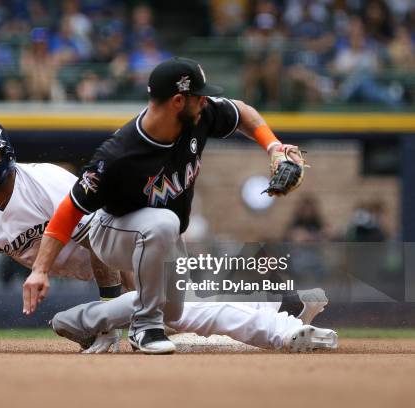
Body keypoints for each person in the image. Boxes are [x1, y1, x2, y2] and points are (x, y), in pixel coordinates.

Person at [0, 118, 335, 354]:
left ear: (7, 154)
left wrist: (109, 311)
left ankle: (283, 320)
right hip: (108, 260)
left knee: (176, 314)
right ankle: (286, 309)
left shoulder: (44, 180)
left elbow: (94, 240)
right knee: (179, 312)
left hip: (122, 240)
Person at [24, 56, 337, 354]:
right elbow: (71, 209)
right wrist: (40, 270)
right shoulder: (119, 154)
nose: (205, 102)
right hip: (110, 232)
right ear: (177, 101)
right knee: (163, 224)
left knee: (172, 308)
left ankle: (79, 320)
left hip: (163, 235)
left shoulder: (197, 117)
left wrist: (273, 146)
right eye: (199, 96)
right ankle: (145, 329)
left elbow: (242, 112)